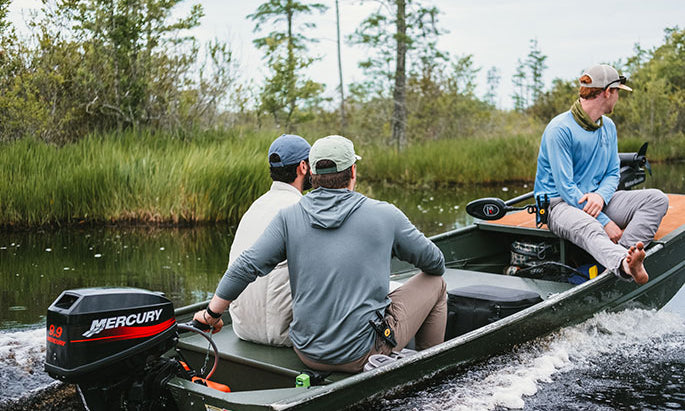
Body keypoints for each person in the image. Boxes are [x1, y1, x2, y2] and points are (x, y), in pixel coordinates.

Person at [195, 135, 447, 373]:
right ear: (352, 172)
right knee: (437, 283)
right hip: (363, 354)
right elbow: (435, 263)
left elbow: (245, 267)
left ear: (312, 173)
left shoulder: (288, 217)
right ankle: (431, 368)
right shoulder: (385, 214)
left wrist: (211, 315)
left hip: (307, 353)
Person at [534, 64, 669, 285]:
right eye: (618, 92)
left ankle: (624, 256)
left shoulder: (609, 127)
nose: (618, 98)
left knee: (656, 199)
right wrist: (605, 221)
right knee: (592, 226)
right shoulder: (559, 129)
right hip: (559, 205)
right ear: (607, 92)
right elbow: (566, 188)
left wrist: (600, 197)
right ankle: (625, 266)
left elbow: (613, 172)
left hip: (597, 200)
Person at [228, 134, 312, 347]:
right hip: (283, 333)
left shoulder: (256, 206)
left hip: (242, 328)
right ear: (303, 167)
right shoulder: (300, 209)